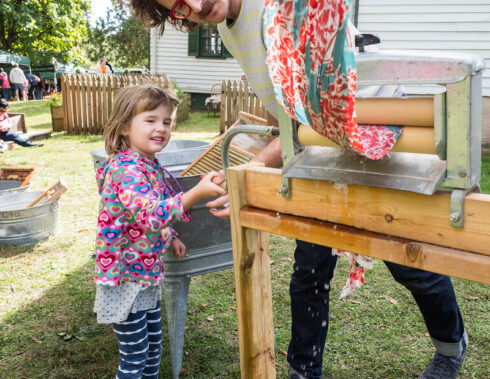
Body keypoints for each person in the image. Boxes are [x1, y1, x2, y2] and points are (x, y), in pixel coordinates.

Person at [130, 2, 468, 378]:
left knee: (409, 262)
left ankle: (451, 348)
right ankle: (304, 371)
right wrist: (260, 158)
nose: (195, 5)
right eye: (178, 7)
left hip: (378, 131)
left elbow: (309, 111)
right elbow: (280, 99)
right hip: (318, 143)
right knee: (310, 270)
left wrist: (255, 169)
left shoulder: (280, 9)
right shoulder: (227, 24)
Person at [93, 84, 226, 379]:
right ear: (124, 127)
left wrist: (172, 236)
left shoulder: (150, 165)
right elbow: (151, 213)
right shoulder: (125, 170)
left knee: (153, 348)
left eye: (166, 121)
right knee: (135, 355)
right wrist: (196, 193)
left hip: (145, 274)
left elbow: (151, 217)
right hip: (124, 278)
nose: (161, 128)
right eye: (150, 120)